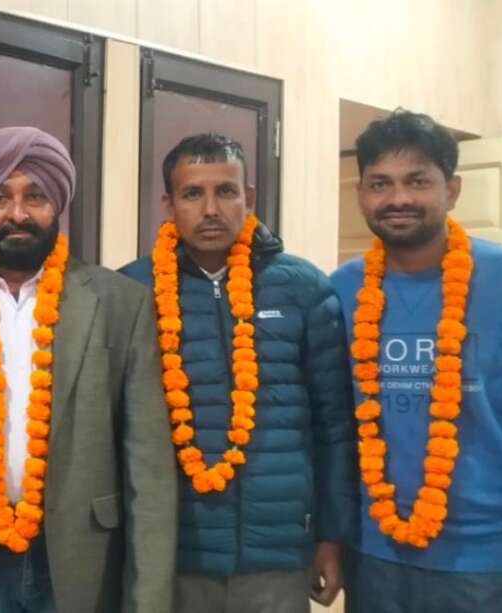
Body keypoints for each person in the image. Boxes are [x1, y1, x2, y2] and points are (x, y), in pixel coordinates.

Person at [0, 126, 177, 613]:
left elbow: (149, 470)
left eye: (36, 196)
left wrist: (148, 600)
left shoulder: (120, 303)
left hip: (84, 558)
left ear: (58, 205)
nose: (18, 214)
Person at [121, 132, 357, 613]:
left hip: (277, 554)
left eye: (225, 191)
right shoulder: (131, 291)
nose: (210, 209)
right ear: (168, 204)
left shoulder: (304, 288)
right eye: (192, 193)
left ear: (248, 198)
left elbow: (334, 426)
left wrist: (332, 538)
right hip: (171, 555)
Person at [331, 110, 502, 613]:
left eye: (417, 181)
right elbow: (330, 429)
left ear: (452, 189)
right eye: (380, 183)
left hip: (492, 563)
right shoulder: (341, 290)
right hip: (373, 555)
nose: (398, 198)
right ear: (360, 194)